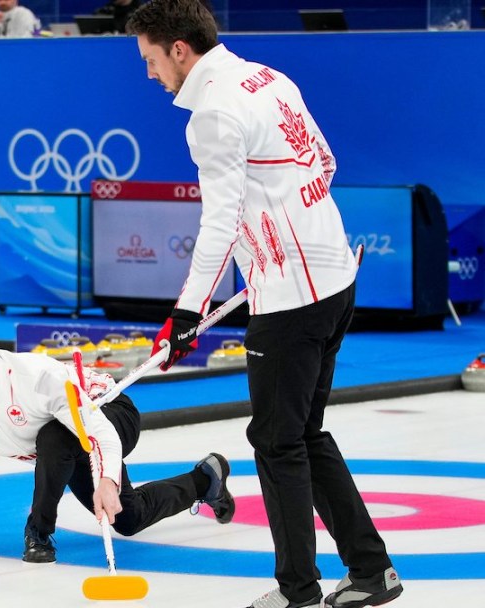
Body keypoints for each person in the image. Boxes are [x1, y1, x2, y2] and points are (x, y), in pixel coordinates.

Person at [126, 2, 402, 607]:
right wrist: (288, 233)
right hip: (336, 278)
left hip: (291, 301)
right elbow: (324, 164)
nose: (149, 74)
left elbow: (220, 222)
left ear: (178, 49)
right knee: (302, 432)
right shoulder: (270, 77)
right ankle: (371, 570)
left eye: (150, 59)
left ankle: (297, 594)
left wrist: (185, 312)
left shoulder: (213, 114)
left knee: (277, 443)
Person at [0, 308, 234, 563]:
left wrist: (105, 479)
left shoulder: (37, 378)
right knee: (128, 519)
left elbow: (98, 432)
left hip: (110, 413)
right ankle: (204, 480)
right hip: (63, 447)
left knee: (54, 438)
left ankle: (38, 533)